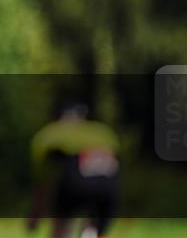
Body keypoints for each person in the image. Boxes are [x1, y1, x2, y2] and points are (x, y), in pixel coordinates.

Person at [27, 102, 119, 238]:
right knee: (98, 222)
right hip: (108, 187)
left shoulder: (49, 134)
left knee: (62, 218)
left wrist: (35, 216)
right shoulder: (104, 132)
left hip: (75, 183)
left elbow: (42, 184)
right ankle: (91, 232)